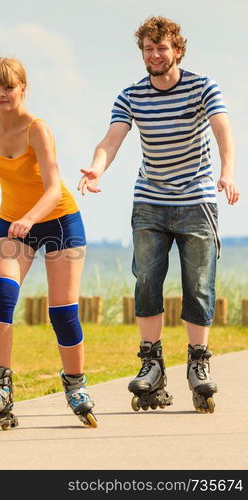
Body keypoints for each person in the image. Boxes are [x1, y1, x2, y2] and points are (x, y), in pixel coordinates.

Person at [78, 16, 239, 414]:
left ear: (177, 50)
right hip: (149, 201)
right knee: (146, 280)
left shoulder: (203, 86)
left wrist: (227, 173)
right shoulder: (131, 95)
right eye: (148, 49)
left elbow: (223, 131)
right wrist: (97, 168)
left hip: (197, 200)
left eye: (161, 48)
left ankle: (198, 363)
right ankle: (151, 364)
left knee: (198, 284)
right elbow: (111, 139)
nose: (154, 55)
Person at [0, 57, 97, 431]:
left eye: (8, 87)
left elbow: (53, 188)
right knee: (0, 294)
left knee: (62, 311)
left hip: (59, 221)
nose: (1, 95)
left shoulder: (38, 129)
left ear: (23, 88)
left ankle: (76, 385)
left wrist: (30, 219)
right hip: (13, 224)